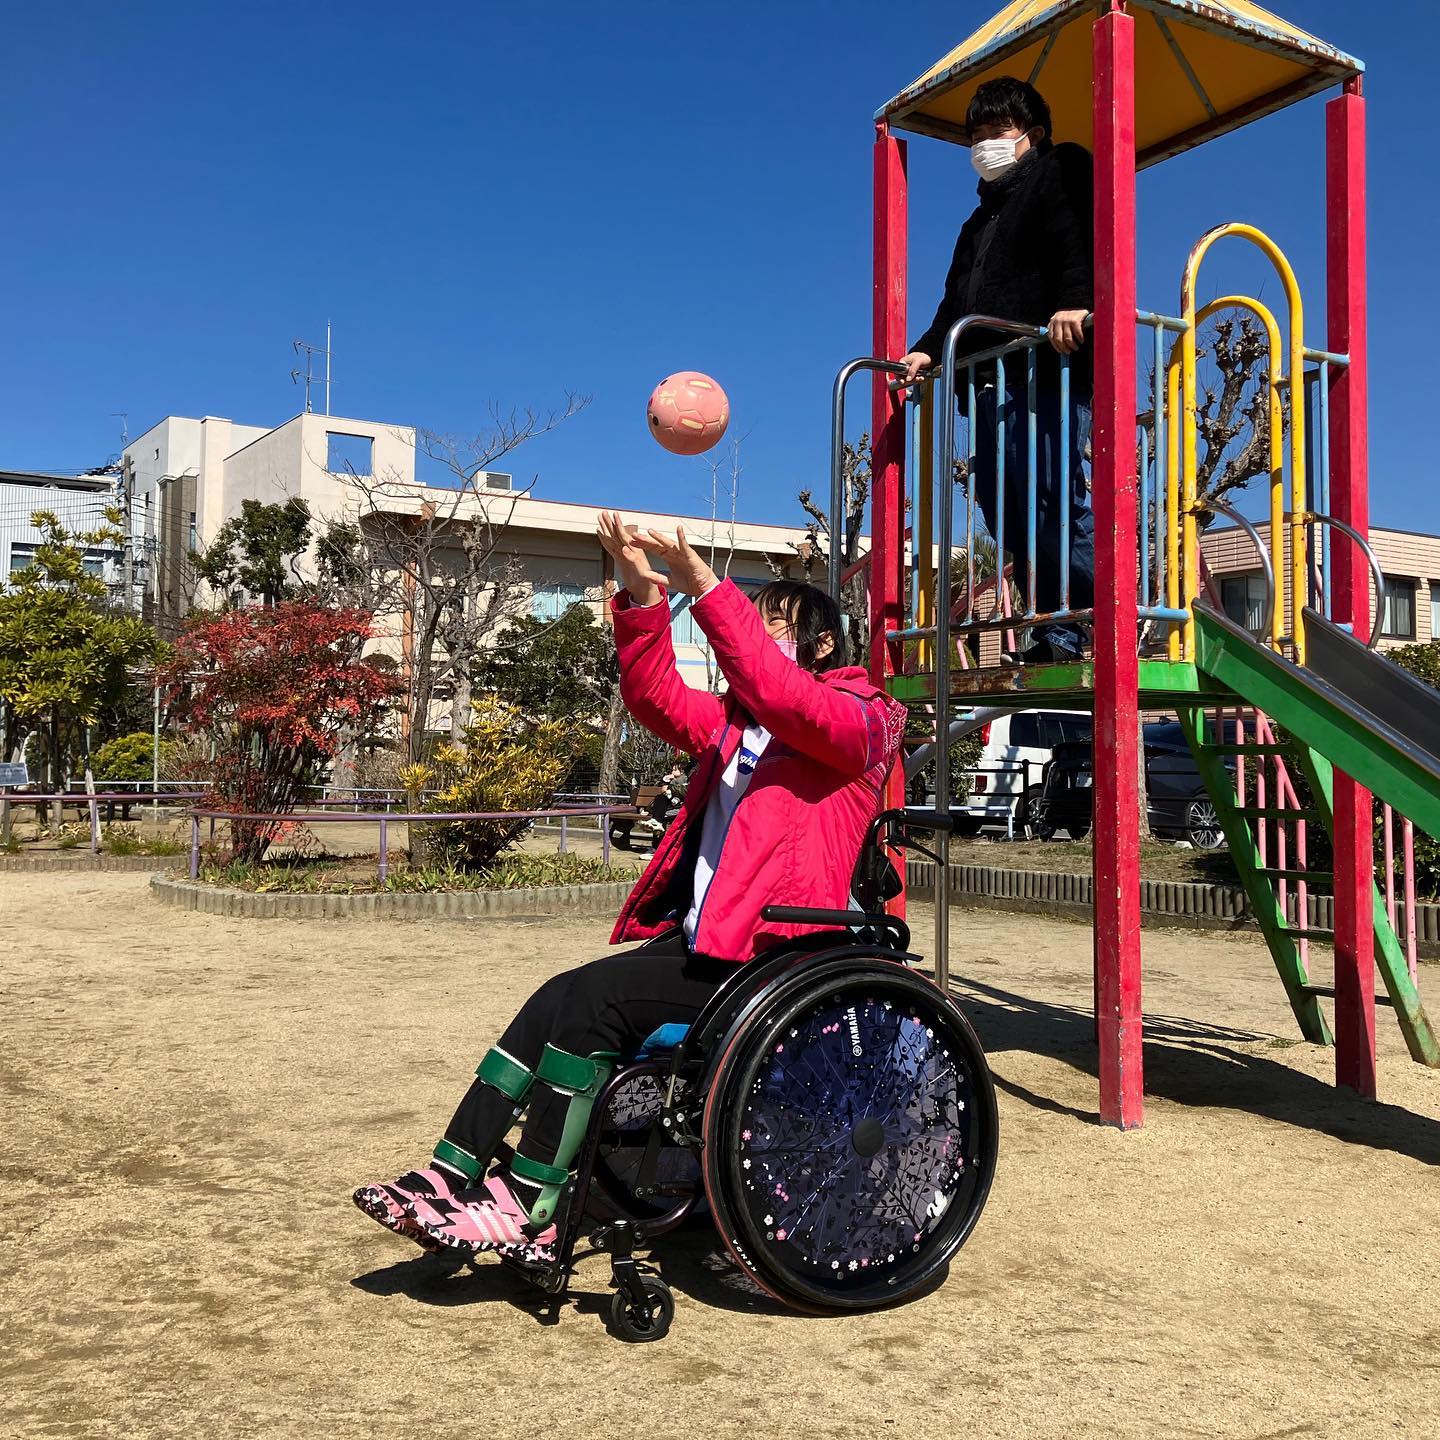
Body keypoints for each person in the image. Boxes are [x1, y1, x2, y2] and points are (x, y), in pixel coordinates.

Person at [353, 511, 906, 1264]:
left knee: (596, 1005)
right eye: (759, 618)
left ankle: (531, 1203)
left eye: (777, 622)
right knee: (558, 995)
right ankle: (451, 1173)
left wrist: (708, 587)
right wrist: (642, 598)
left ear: (822, 643)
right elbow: (655, 697)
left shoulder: (864, 719)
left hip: (787, 951)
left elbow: (784, 695)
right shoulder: (740, 728)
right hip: (718, 943)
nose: (764, 632)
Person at [899, 76, 1096, 663]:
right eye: (976, 135)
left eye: (997, 132)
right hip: (991, 377)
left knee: (1053, 494)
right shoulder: (978, 222)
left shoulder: (1060, 171)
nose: (984, 144)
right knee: (1000, 501)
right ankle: (1049, 622)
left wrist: (1077, 302)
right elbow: (955, 303)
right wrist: (929, 349)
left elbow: (1079, 243)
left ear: (1031, 136)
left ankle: (1081, 622)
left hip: (1046, 365)